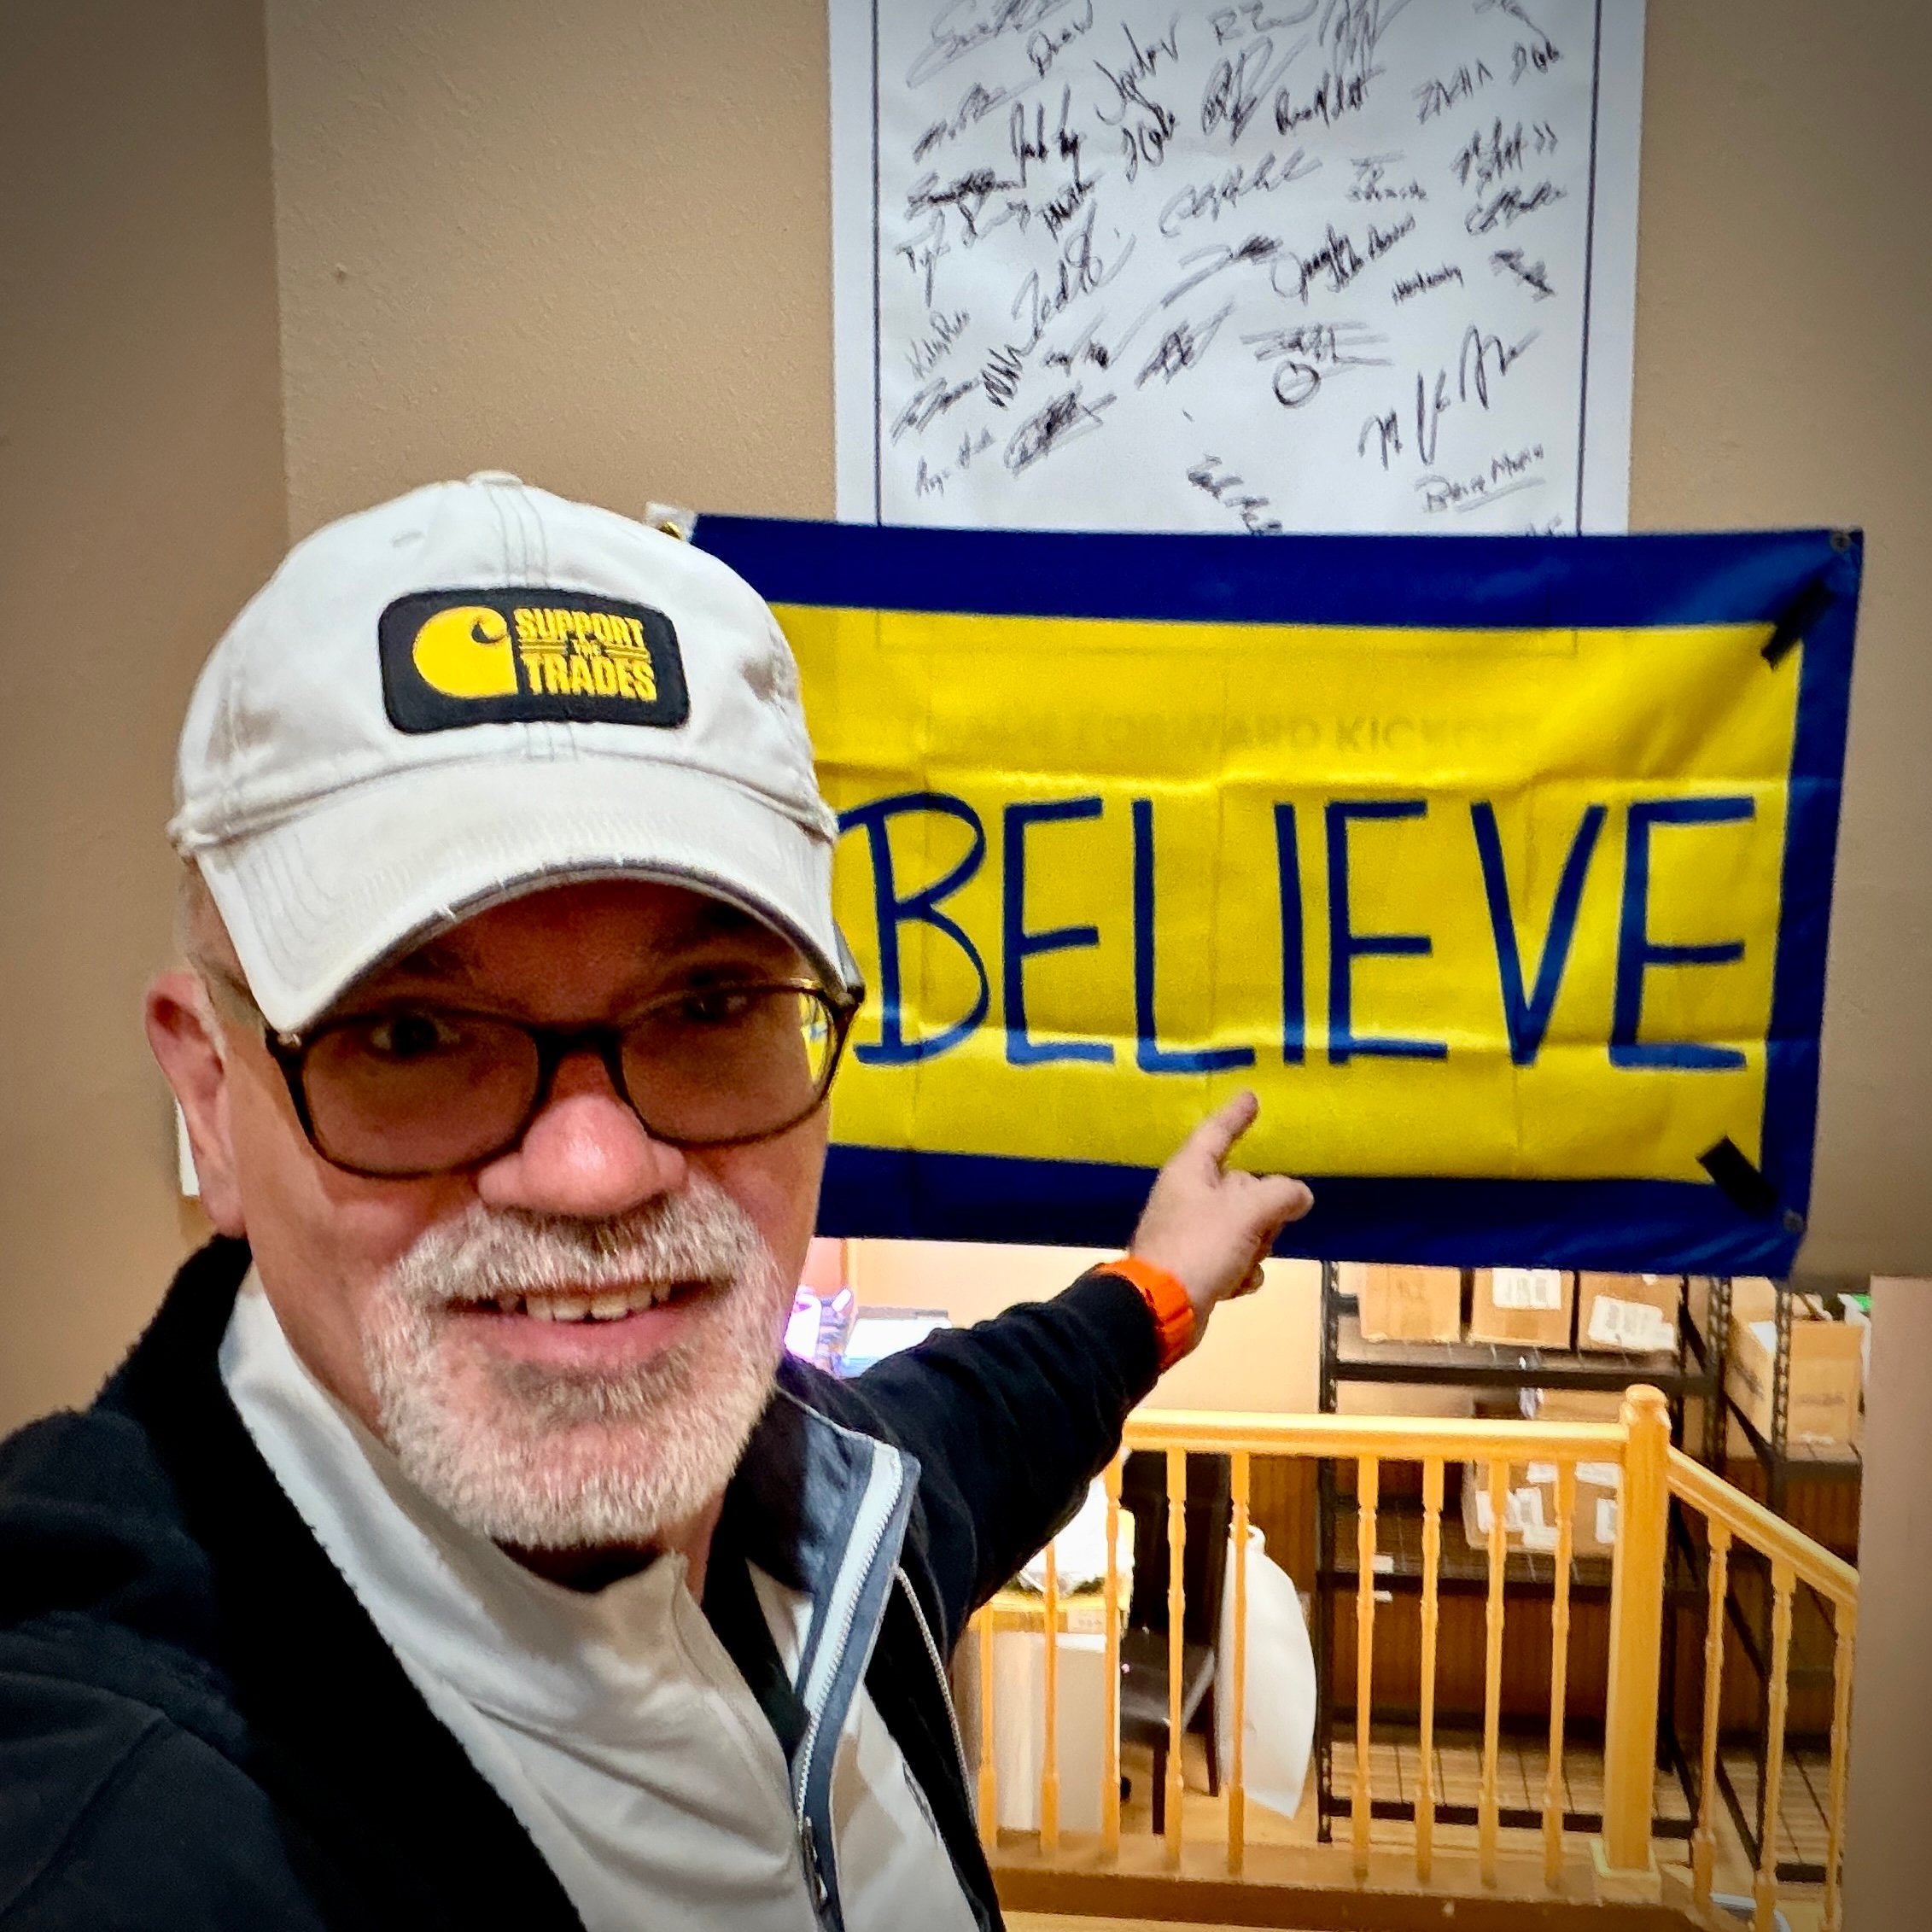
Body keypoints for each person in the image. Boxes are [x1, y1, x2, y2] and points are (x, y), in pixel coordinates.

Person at [0, 474, 1311, 1931]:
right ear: (210, 1094)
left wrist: (1162, 1287)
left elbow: (990, 1416)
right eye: (414, 1034)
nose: (595, 1171)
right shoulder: (112, 1815)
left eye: (708, 1004)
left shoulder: (822, 1517)